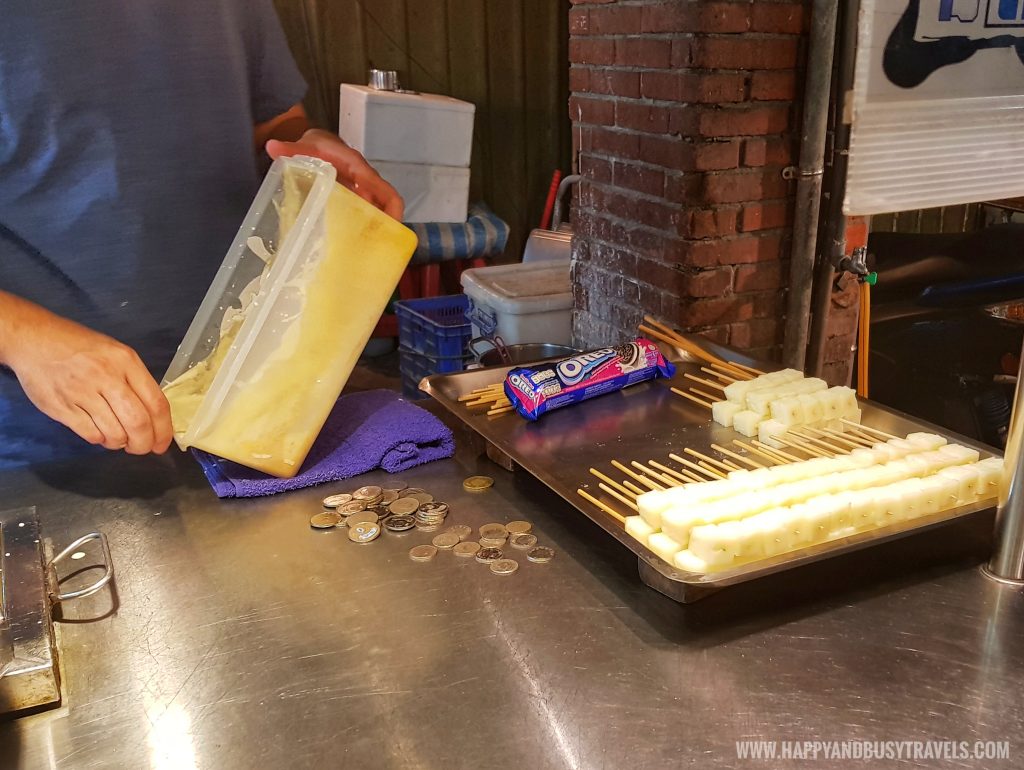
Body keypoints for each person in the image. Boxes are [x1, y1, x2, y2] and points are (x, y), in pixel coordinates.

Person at [0, 1, 402, 468]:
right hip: (50, 441)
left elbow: (274, 120)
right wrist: (23, 337)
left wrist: (309, 148)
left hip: (256, 403)